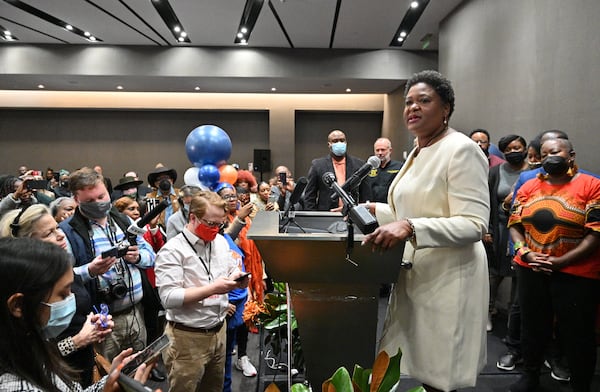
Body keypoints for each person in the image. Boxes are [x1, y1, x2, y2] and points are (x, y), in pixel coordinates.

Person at [362, 70, 490, 392]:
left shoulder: (461, 149)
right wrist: (380, 212)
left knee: (440, 374)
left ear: (445, 108)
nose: (412, 108)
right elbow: (421, 210)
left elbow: (474, 224)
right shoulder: (419, 150)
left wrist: (408, 226)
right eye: (408, 102)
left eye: (424, 100)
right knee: (420, 364)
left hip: (449, 277)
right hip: (419, 274)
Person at [0, 236, 154, 392]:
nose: (71, 299)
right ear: (18, 305)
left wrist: (111, 379)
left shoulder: (31, 346)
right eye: (62, 294)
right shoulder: (14, 386)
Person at [507, 138, 600, 392]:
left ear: (571, 154)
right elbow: (515, 224)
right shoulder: (528, 186)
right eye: (545, 153)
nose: (550, 157)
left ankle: (581, 383)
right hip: (531, 269)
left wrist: (561, 262)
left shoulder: (592, 185)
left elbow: (596, 232)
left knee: (578, 333)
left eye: (556, 152)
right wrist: (524, 252)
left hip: (576, 272)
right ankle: (530, 375)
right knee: (533, 326)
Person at [0, 204, 115, 387]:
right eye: (62, 294)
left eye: (57, 228)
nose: (61, 235)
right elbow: (43, 351)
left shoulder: (62, 270)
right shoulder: (17, 380)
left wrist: (110, 381)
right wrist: (78, 340)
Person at [154, 191, 250, 392]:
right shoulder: (173, 250)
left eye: (220, 224)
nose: (215, 229)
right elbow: (169, 298)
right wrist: (213, 289)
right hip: (187, 337)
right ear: (193, 217)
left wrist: (238, 278)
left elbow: (230, 268)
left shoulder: (220, 242)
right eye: (210, 224)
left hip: (218, 331)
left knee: (215, 388)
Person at [59, 167, 156, 362]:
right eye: (90, 201)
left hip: (137, 312)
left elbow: (150, 255)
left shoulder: (123, 219)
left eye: (101, 196)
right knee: (107, 379)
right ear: (76, 200)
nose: (98, 203)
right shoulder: (66, 232)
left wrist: (138, 258)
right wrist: (90, 271)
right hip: (101, 322)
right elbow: (62, 279)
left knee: (138, 369)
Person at [486, 134, 530, 333]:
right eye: (509, 149)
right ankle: (488, 311)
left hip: (523, 231)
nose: (514, 152)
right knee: (494, 274)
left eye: (518, 147)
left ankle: (514, 324)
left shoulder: (533, 173)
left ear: (526, 149)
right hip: (500, 228)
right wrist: (487, 229)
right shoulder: (495, 172)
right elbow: (486, 202)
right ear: (503, 152)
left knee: (518, 276)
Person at [304, 129, 370, 211]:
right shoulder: (318, 165)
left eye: (342, 140)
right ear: (329, 144)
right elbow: (310, 195)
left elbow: (366, 194)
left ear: (346, 143)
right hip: (326, 215)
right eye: (335, 141)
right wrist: (313, 217)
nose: (339, 143)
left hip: (352, 215)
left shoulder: (359, 165)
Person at [364, 137, 404, 203]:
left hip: (389, 206)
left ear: (390, 150)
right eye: (377, 150)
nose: (380, 153)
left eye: (383, 150)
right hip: (371, 206)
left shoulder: (399, 167)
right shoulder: (368, 168)